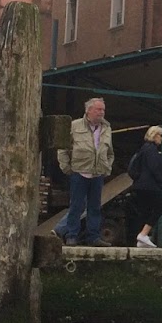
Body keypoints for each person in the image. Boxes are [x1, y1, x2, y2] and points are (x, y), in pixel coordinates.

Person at [55, 97, 113, 246]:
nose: (101, 112)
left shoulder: (107, 128)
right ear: (88, 110)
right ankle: (71, 235)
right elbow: (63, 148)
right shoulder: (74, 126)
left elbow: (110, 152)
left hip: (97, 174)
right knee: (76, 206)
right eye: (98, 109)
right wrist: (66, 167)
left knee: (95, 207)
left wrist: (107, 167)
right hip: (79, 172)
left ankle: (93, 237)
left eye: (103, 110)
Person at [127, 126, 162, 249]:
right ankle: (143, 235)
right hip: (151, 186)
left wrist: (138, 179)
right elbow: (155, 168)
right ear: (155, 136)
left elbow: (132, 170)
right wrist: (161, 182)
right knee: (159, 208)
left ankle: (140, 239)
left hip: (140, 186)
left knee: (145, 212)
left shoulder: (142, 149)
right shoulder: (152, 150)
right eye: (161, 135)